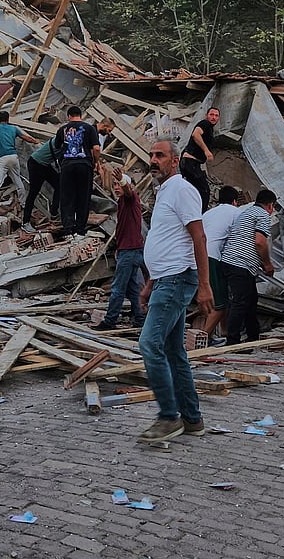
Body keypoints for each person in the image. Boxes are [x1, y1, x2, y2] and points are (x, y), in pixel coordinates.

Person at [136, 139, 213, 444]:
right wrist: (150, 282)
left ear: (174, 160)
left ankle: (169, 417)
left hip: (177, 280)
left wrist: (205, 285)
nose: (153, 160)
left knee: (149, 345)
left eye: (160, 155)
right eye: (151, 155)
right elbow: (169, 242)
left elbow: (199, 238)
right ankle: (192, 420)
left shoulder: (182, 190)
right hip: (164, 280)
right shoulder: (165, 192)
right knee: (173, 352)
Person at [219, 189, 278, 345]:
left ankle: (253, 337)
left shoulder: (246, 213)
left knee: (251, 300)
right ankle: (233, 341)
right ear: (270, 206)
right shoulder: (263, 215)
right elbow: (259, 241)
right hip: (240, 263)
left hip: (231, 261)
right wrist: (267, 263)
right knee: (240, 302)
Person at [93, 174, 146, 331]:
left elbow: (129, 191)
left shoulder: (131, 199)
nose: (116, 187)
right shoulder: (122, 203)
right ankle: (139, 318)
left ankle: (110, 320)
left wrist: (123, 182)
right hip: (128, 250)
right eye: (114, 184)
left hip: (130, 251)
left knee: (118, 288)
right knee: (132, 287)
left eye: (119, 184)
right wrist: (118, 248)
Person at [195, 185, 240, 345]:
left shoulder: (209, 213)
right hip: (212, 256)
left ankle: (225, 332)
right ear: (235, 201)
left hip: (196, 255)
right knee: (219, 304)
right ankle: (202, 339)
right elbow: (238, 238)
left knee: (217, 298)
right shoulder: (236, 213)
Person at [55, 106, 100, 237]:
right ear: (81, 115)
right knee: (83, 197)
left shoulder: (62, 129)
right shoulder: (90, 128)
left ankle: (68, 229)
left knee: (67, 197)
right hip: (84, 165)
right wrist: (96, 162)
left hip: (67, 166)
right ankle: (80, 229)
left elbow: (57, 146)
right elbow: (96, 148)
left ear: (69, 116)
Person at [0, 111, 38, 213]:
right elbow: (26, 138)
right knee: (18, 180)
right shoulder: (13, 128)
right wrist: (35, 141)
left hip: (1, 158)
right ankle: (24, 203)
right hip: (13, 157)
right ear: (8, 119)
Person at [180, 107, 219, 211]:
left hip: (190, 163)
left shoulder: (209, 128)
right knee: (204, 191)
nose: (214, 117)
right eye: (211, 114)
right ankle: (200, 217)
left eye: (216, 115)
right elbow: (195, 134)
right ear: (206, 115)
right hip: (190, 163)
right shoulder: (205, 124)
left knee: (192, 191)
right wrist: (206, 150)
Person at [23, 135, 61, 231]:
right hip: (36, 164)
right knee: (33, 192)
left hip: (45, 165)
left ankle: (54, 213)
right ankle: (25, 222)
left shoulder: (66, 138)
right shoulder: (64, 140)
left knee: (59, 185)